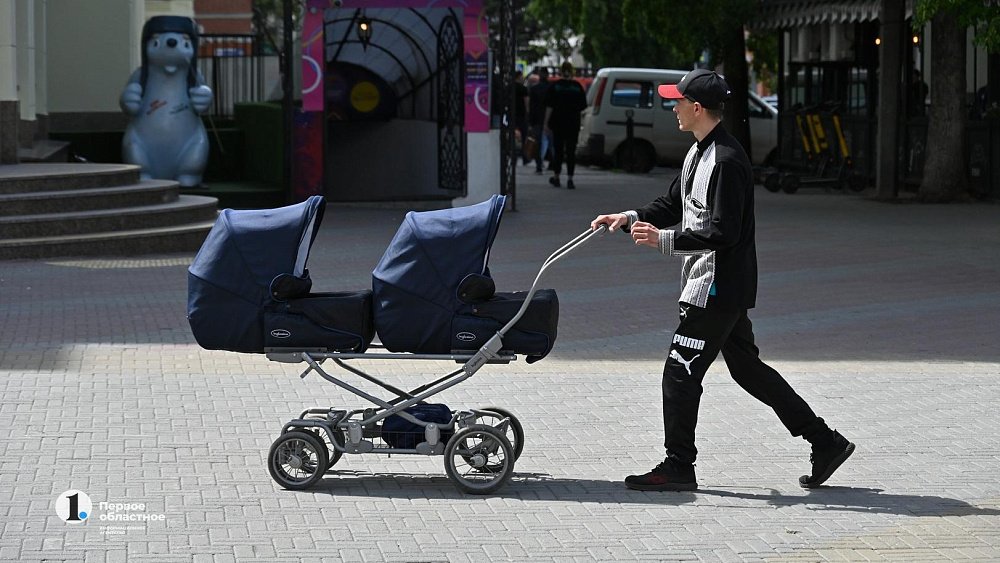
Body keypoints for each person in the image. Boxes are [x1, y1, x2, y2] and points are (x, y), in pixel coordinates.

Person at [590, 69, 855, 491]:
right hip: (714, 284)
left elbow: (723, 233)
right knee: (748, 371)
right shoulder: (698, 152)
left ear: (697, 108)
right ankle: (826, 441)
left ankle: (679, 465)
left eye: (677, 102)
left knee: (680, 372)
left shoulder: (727, 161)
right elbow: (673, 203)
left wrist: (663, 241)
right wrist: (628, 217)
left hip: (717, 286)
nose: (673, 108)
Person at [544, 61, 588, 189]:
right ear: (572, 71)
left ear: (561, 71)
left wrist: (546, 123)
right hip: (573, 123)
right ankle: (570, 179)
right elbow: (583, 106)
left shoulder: (555, 86)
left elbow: (549, 106)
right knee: (571, 151)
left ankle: (556, 177)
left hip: (558, 123)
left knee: (558, 150)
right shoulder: (577, 87)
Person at [528, 67, 552, 174]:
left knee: (538, 143)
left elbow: (531, 106)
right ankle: (552, 164)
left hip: (537, 119)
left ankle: (539, 165)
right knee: (550, 143)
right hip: (550, 119)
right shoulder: (551, 88)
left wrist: (530, 121)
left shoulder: (534, 89)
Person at [514, 70, 530, 164]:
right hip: (521, 115)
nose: (523, 78)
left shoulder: (510, 87)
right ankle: (524, 157)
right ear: (519, 77)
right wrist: (527, 112)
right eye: (522, 77)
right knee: (524, 136)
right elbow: (526, 102)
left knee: (511, 136)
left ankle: (513, 156)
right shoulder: (523, 88)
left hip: (512, 114)